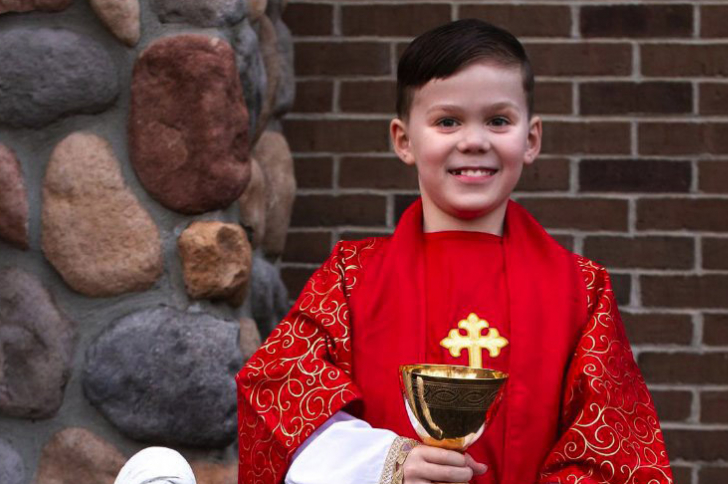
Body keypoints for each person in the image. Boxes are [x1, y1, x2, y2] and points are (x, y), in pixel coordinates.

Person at [237, 19, 674, 484]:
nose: (473, 140)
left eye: (498, 120)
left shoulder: (581, 290)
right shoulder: (351, 277)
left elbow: (615, 453)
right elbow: (276, 396)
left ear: (531, 139)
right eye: (448, 121)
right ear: (404, 140)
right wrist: (387, 462)